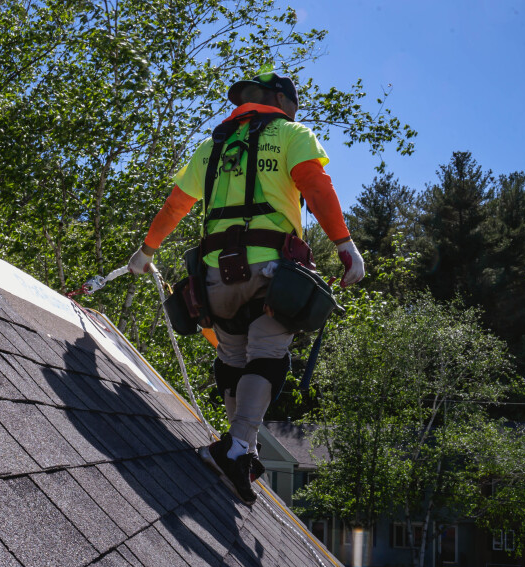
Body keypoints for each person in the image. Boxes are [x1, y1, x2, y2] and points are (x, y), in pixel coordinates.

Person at [127, 71, 365, 505]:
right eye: (293, 103)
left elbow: (176, 205)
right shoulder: (293, 134)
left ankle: (243, 447)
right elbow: (316, 185)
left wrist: (145, 253)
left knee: (233, 355)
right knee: (269, 354)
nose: (296, 111)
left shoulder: (211, 147)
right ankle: (237, 448)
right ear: (280, 100)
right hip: (275, 272)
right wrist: (345, 245)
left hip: (216, 276)